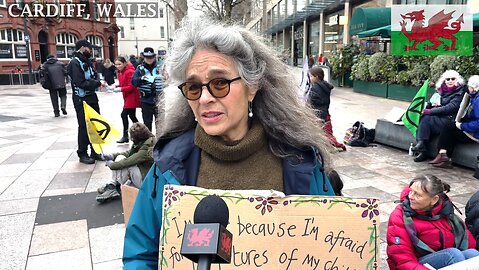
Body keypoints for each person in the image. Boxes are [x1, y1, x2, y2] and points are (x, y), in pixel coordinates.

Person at [123, 16, 339, 268]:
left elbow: (328, 248)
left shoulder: (300, 161)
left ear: (252, 86)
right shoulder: (168, 166)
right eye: (194, 87)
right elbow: (141, 253)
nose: (204, 98)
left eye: (219, 83)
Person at [386, 174, 479, 269]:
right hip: (412, 266)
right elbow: (403, 260)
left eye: (417, 194)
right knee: (452, 255)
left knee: (473, 254)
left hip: (440, 262)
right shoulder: (399, 216)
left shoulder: (446, 212)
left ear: (434, 199)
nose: (411, 197)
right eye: (411, 191)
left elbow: (470, 244)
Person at [411, 70, 465, 162]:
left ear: (458, 80)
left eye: (453, 79)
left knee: (427, 118)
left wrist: (430, 111)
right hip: (439, 117)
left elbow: (451, 108)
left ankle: (422, 147)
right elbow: (433, 102)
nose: (450, 81)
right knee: (424, 118)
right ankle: (422, 146)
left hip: (450, 120)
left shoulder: (460, 92)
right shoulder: (440, 91)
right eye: (448, 79)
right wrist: (427, 106)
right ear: (444, 81)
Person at [67, 39, 106, 164]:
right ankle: (82, 153)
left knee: (95, 124)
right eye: (89, 48)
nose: (91, 50)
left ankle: (95, 151)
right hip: (81, 98)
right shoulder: (75, 62)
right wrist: (97, 83)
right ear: (83, 48)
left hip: (92, 97)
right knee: (84, 126)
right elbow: (80, 82)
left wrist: (95, 81)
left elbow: (94, 76)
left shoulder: (87, 61)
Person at [96, 122, 155, 203]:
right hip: (145, 175)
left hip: (146, 182)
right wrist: (112, 156)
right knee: (120, 157)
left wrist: (112, 165)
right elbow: (129, 153)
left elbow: (129, 161)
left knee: (128, 165)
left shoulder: (148, 148)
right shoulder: (146, 142)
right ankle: (112, 185)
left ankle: (112, 186)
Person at [429, 75, 479, 168]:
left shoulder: (478, 100)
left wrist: (462, 126)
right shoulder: (475, 98)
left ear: (474, 88)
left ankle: (443, 155)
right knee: (450, 127)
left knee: (449, 128)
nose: (468, 89)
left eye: (469, 87)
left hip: (476, 133)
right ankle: (444, 156)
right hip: (473, 129)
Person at [307, 66, 346, 151]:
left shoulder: (315, 88)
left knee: (320, 132)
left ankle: (330, 146)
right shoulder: (326, 86)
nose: (310, 78)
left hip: (317, 114)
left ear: (316, 76)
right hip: (325, 113)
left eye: (311, 76)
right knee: (328, 132)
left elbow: (310, 101)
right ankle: (331, 145)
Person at [131, 47, 165, 132]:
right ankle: (149, 142)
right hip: (146, 100)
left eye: (151, 57)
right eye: (147, 57)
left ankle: (160, 142)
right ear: (144, 58)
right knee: (147, 123)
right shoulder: (140, 68)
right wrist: (141, 78)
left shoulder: (160, 67)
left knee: (160, 123)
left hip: (159, 99)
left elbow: (168, 81)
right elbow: (134, 82)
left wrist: (166, 77)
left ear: (154, 57)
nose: (149, 59)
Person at [114, 56, 140, 143]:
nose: (118, 66)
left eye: (119, 64)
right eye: (116, 64)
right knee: (132, 116)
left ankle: (125, 136)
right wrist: (115, 87)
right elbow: (123, 84)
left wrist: (120, 89)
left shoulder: (129, 72)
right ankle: (142, 132)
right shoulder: (120, 72)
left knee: (124, 114)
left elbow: (131, 86)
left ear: (124, 63)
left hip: (132, 96)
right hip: (127, 96)